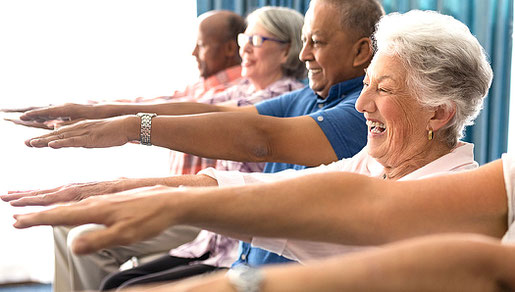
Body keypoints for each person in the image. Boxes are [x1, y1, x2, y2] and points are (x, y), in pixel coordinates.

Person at [11, 0, 382, 269]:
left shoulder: (359, 111)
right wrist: (102, 115)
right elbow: (212, 111)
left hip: (270, 264)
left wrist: (128, 134)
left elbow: (259, 139)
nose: (305, 56)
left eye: (316, 42)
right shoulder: (310, 94)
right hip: (247, 255)